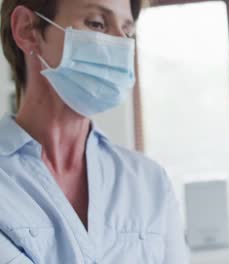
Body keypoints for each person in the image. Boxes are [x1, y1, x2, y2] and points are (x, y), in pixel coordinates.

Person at [0, 0, 188, 263]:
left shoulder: (150, 183)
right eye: (97, 24)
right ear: (28, 29)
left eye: (128, 32)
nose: (121, 45)